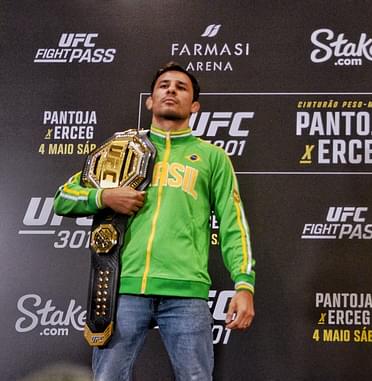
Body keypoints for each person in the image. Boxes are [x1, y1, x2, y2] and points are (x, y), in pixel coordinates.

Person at [54, 62, 255, 381]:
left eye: (181, 86)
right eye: (163, 85)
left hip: (186, 292)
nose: (171, 90)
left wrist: (244, 285)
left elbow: (233, 225)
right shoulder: (120, 151)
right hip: (124, 287)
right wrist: (104, 198)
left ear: (195, 105)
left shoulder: (211, 157)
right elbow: (63, 198)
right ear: (150, 100)